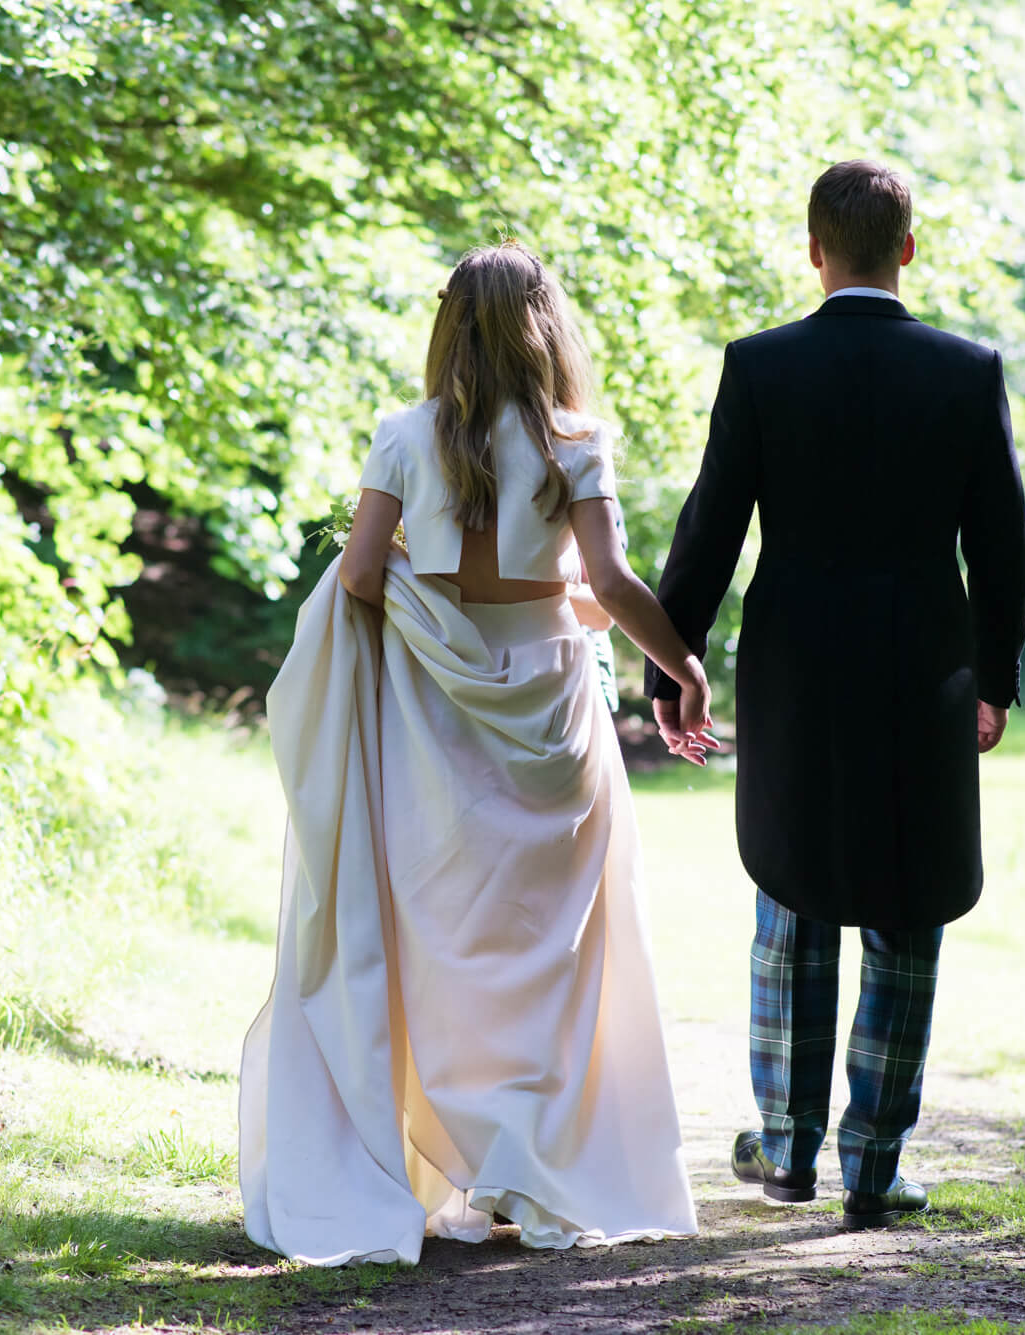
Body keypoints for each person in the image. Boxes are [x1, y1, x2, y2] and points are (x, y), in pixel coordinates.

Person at [240, 241, 713, 1266]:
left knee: (441, 939)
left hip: (437, 726)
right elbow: (607, 586)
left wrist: (436, 601)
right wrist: (680, 663)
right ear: (545, 327)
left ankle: (453, 1165)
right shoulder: (572, 441)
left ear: (448, 324)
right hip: (550, 712)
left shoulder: (405, 436)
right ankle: (530, 1169)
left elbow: (362, 576)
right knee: (550, 949)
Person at [645, 160, 1025, 1229]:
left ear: (812, 250)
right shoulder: (967, 370)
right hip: (923, 673)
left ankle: (784, 1148)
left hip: (793, 675)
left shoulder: (760, 367)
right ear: (906, 248)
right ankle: (871, 1164)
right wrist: (994, 680)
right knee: (906, 906)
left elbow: (707, 532)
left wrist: (669, 668)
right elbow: (1000, 545)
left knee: (793, 896)